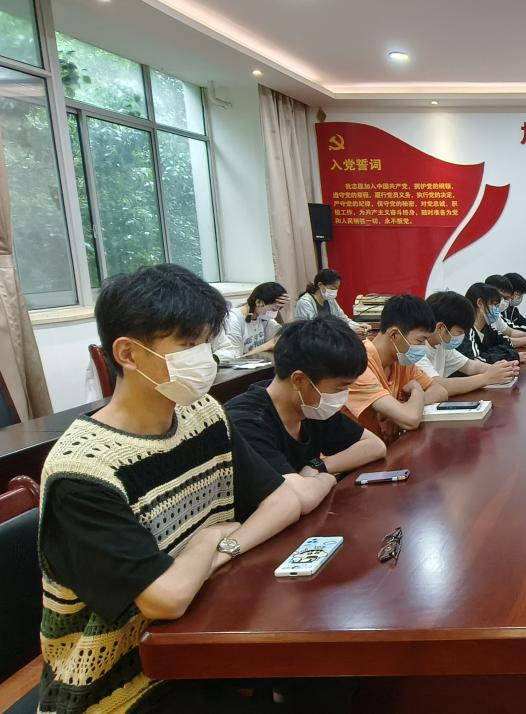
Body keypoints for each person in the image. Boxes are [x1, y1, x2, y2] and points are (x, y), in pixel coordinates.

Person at [36, 264, 332, 713]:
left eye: (207, 343)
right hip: (124, 686)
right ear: (128, 353)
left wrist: (222, 547)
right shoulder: (83, 472)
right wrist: (210, 539)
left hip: (208, 638)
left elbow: (282, 501)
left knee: (333, 676)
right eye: (188, 344)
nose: (204, 358)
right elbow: (166, 599)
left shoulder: (201, 415)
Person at [226, 316, 387, 478]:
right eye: (340, 387)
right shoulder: (246, 422)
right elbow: (293, 491)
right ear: (299, 380)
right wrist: (326, 479)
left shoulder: (310, 407)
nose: (344, 394)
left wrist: (319, 466)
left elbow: (375, 446)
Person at [345, 294, 449, 443]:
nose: (423, 347)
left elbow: (440, 391)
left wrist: (404, 408)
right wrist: (417, 391)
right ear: (394, 334)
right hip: (354, 453)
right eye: (420, 340)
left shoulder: (401, 360)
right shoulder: (358, 364)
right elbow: (411, 419)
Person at [422, 290, 520, 395]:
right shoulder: (416, 350)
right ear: (440, 328)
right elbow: (438, 385)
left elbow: (469, 366)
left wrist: (501, 370)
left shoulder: (441, 344)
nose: (462, 336)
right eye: (459, 332)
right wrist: (487, 377)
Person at [212, 281, 289, 360]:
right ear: (259, 302)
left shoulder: (264, 317)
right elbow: (234, 358)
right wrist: (267, 346)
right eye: (274, 309)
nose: (275, 313)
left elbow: (284, 337)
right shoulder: (233, 320)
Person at [460, 282, 526, 364]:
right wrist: (512, 356)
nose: (497, 310)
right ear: (480, 303)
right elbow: (476, 360)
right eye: (494, 305)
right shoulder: (466, 330)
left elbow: (506, 342)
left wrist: (494, 353)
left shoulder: (487, 328)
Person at [293, 268, 369, 335]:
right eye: (333, 288)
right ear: (320, 285)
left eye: (337, 289)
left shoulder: (330, 300)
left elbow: (343, 320)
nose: (335, 292)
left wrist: (358, 326)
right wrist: (347, 330)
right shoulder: (305, 303)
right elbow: (312, 331)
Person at [484, 274, 526, 350]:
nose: (504, 301)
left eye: (507, 298)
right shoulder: (480, 315)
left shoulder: (496, 313)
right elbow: (498, 342)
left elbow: (510, 332)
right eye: (503, 297)